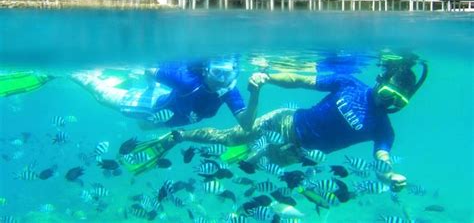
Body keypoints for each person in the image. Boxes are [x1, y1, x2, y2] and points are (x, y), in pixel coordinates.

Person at [142, 54, 427, 191]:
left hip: (297, 155)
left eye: (397, 101)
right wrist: (268, 77)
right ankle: (178, 135)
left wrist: (389, 176)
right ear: (381, 82)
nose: (388, 103)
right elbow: (300, 79)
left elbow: (382, 158)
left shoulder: (383, 129)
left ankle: (231, 162)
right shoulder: (349, 83)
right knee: (230, 138)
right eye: (388, 94)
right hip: (283, 123)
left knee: (247, 167)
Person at [72, 57, 259, 131]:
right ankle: (72, 73)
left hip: (167, 116)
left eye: (228, 74)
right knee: (101, 96)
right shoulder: (185, 80)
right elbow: (149, 69)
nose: (222, 78)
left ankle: (120, 86)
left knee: (144, 127)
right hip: (152, 105)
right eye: (217, 72)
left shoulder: (228, 91)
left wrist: (254, 94)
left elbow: (247, 125)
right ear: (205, 70)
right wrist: (150, 89)